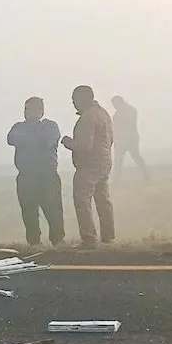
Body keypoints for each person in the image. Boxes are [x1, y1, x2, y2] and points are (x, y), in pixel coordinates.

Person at [6, 97, 65, 246]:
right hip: (26, 176)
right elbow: (11, 139)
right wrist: (34, 138)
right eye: (25, 109)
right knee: (28, 211)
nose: (26, 112)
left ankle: (58, 241)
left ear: (41, 111)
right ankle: (34, 243)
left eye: (30, 109)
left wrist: (27, 139)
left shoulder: (50, 126)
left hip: (47, 175)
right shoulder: (18, 127)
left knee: (53, 210)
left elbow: (45, 142)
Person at [61, 85, 114, 246]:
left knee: (82, 200)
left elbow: (84, 146)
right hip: (104, 161)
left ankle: (89, 238)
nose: (73, 103)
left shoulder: (88, 117)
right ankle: (108, 237)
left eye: (74, 100)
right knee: (103, 200)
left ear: (83, 99)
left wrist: (68, 142)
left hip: (89, 165)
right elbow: (111, 139)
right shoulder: (103, 113)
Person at [110, 95, 150, 181]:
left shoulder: (129, 111)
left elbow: (127, 125)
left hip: (129, 139)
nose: (114, 106)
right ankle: (116, 179)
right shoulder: (120, 113)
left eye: (115, 104)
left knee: (133, 157)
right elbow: (116, 127)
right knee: (120, 160)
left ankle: (146, 175)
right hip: (125, 139)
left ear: (120, 102)